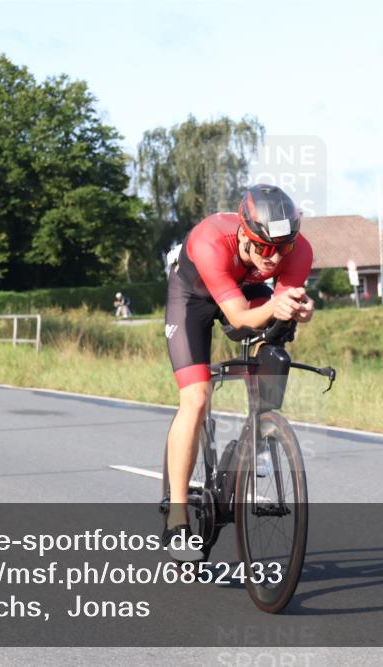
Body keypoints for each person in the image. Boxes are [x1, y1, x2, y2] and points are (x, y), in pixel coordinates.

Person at [162, 184, 314, 561]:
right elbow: (239, 318)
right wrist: (278, 305)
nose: (274, 258)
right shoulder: (212, 242)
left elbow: (281, 307)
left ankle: (260, 433)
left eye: (283, 248)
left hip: (246, 291)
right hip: (193, 297)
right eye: (264, 247)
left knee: (275, 347)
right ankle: (177, 521)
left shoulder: (298, 251)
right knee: (196, 398)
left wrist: (299, 309)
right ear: (245, 235)